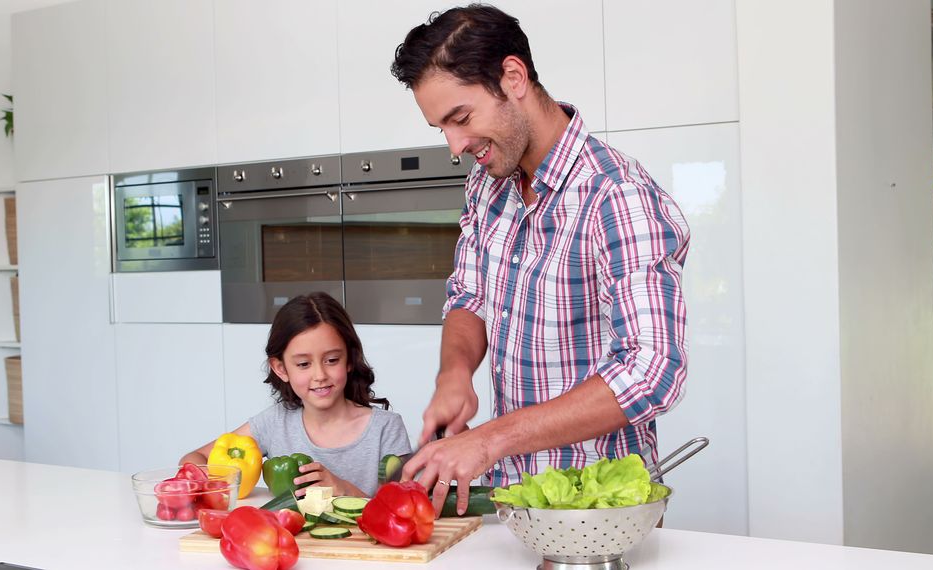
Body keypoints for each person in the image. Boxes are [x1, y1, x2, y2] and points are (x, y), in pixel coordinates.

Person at [390, 4, 690, 515]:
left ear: (513, 76)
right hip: (517, 497)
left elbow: (652, 369)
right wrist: (455, 373)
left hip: (600, 509)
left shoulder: (615, 195)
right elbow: (470, 296)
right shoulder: (488, 186)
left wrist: (488, 440)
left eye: (460, 118)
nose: (455, 145)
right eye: (441, 128)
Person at [180, 292, 412, 497]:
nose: (320, 374)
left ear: (350, 359)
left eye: (332, 360)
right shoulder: (274, 423)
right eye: (303, 364)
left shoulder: (385, 428)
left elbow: (401, 508)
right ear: (281, 368)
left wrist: (343, 489)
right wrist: (219, 487)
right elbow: (193, 459)